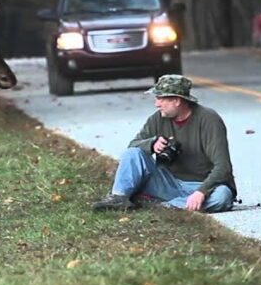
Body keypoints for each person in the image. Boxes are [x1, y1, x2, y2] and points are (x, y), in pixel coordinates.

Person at [91, 74, 237, 213]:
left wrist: (201, 192)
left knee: (222, 197)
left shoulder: (209, 120)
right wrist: (152, 144)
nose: (156, 104)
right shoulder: (158, 118)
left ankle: (164, 204)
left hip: (201, 184)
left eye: (160, 98)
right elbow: (133, 146)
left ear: (177, 101)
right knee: (132, 153)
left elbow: (223, 167)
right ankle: (118, 198)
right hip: (166, 182)